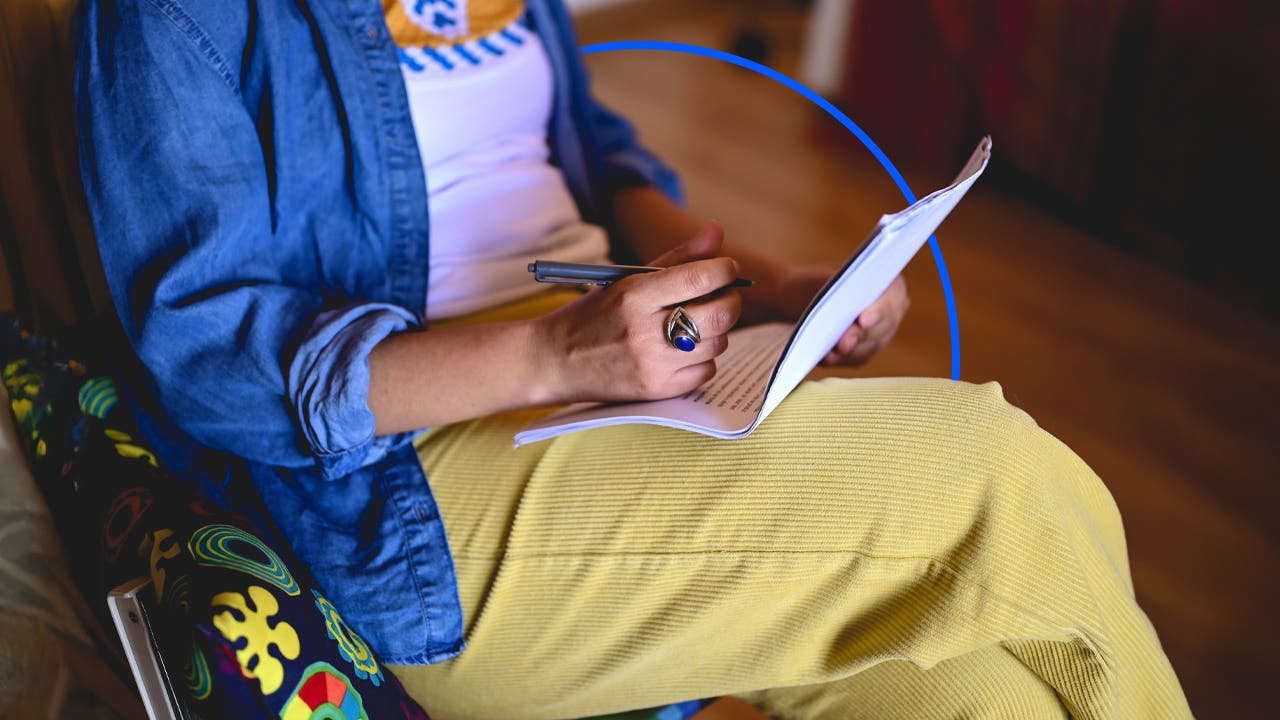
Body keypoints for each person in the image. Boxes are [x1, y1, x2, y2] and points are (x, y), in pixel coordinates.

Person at [75, 0, 1191, 717]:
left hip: (608, 386)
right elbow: (212, 361)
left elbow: (594, 163)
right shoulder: (175, 16)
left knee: (990, 696)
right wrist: (559, 351)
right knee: (994, 472)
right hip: (407, 497)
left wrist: (773, 285)